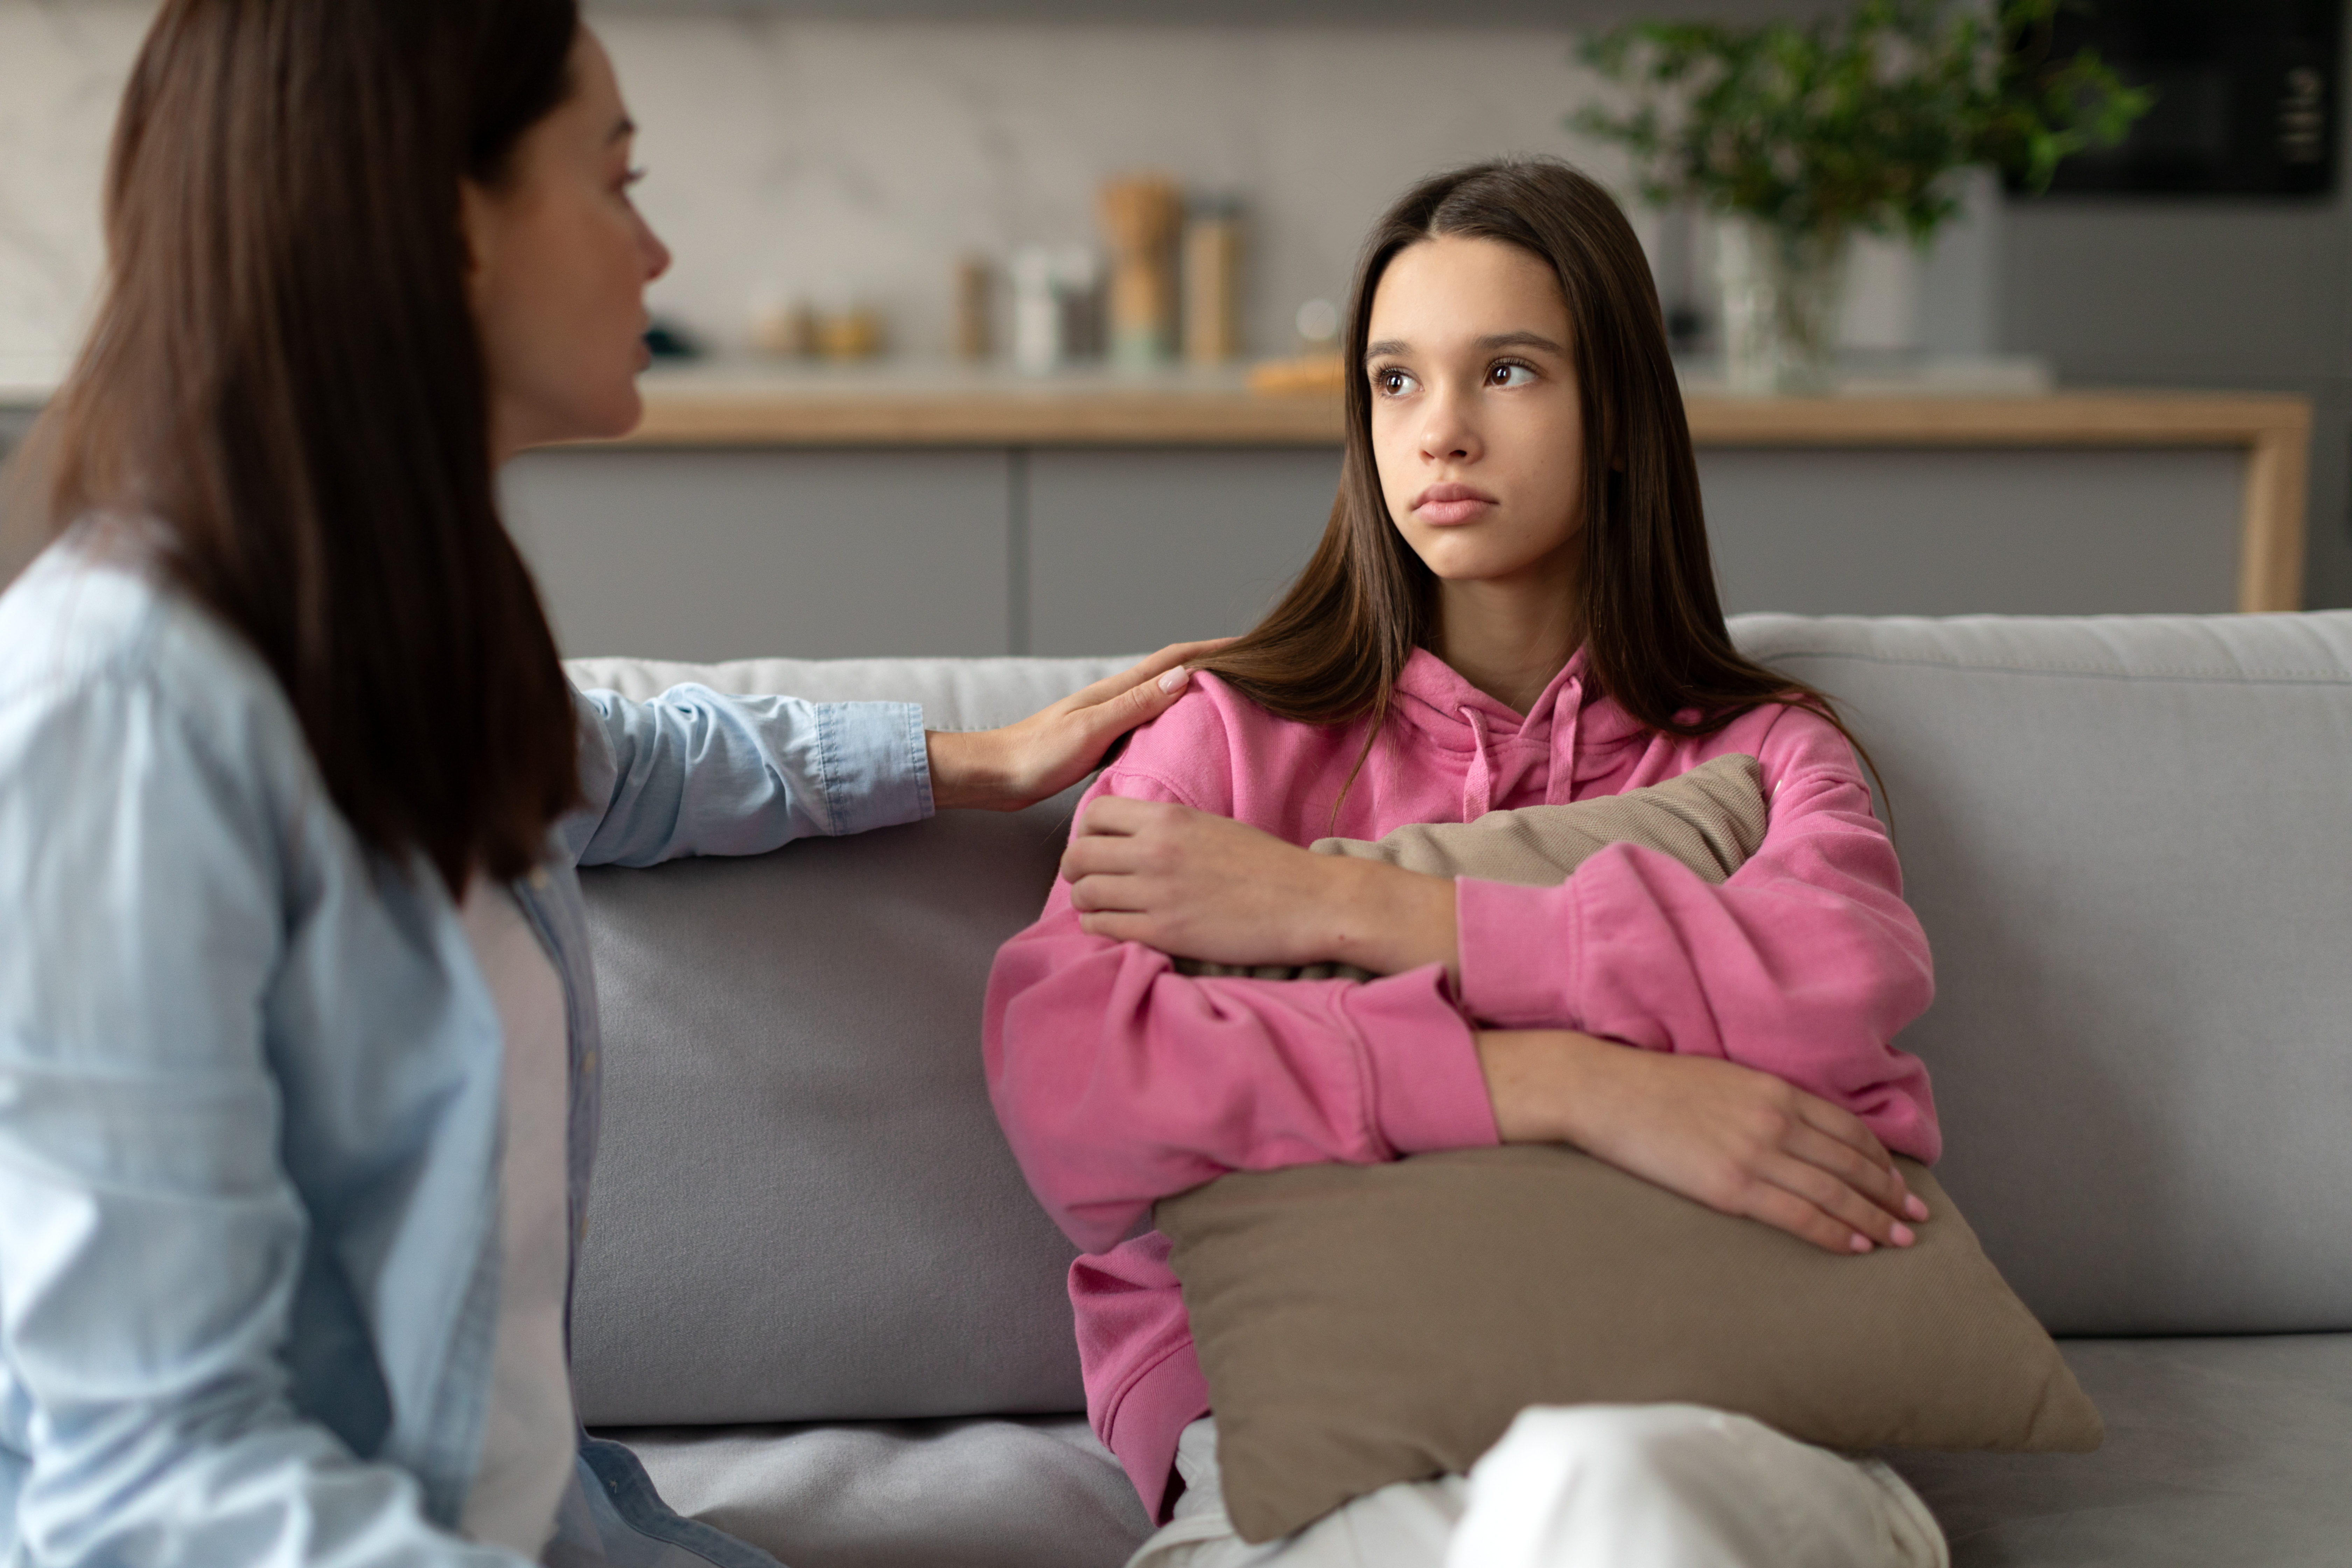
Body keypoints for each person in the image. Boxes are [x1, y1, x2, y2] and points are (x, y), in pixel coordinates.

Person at [0, 2, 1214, 1563]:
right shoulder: (119, 720)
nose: (656, 256)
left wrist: (964, 763)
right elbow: (157, 1499)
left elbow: (621, 761)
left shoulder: (394, 654)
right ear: (452, 222)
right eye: (618, 181)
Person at [984, 159, 1951, 1568]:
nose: (1438, 432)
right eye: (1394, 380)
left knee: (1600, 1487)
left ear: (1617, 416)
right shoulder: (1223, 740)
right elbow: (1077, 1081)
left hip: (1700, 1423)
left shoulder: (1765, 753)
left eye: (1505, 372)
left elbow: (1837, 987)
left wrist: (1354, 908)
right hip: (1319, 1437)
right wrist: (1574, 1082)